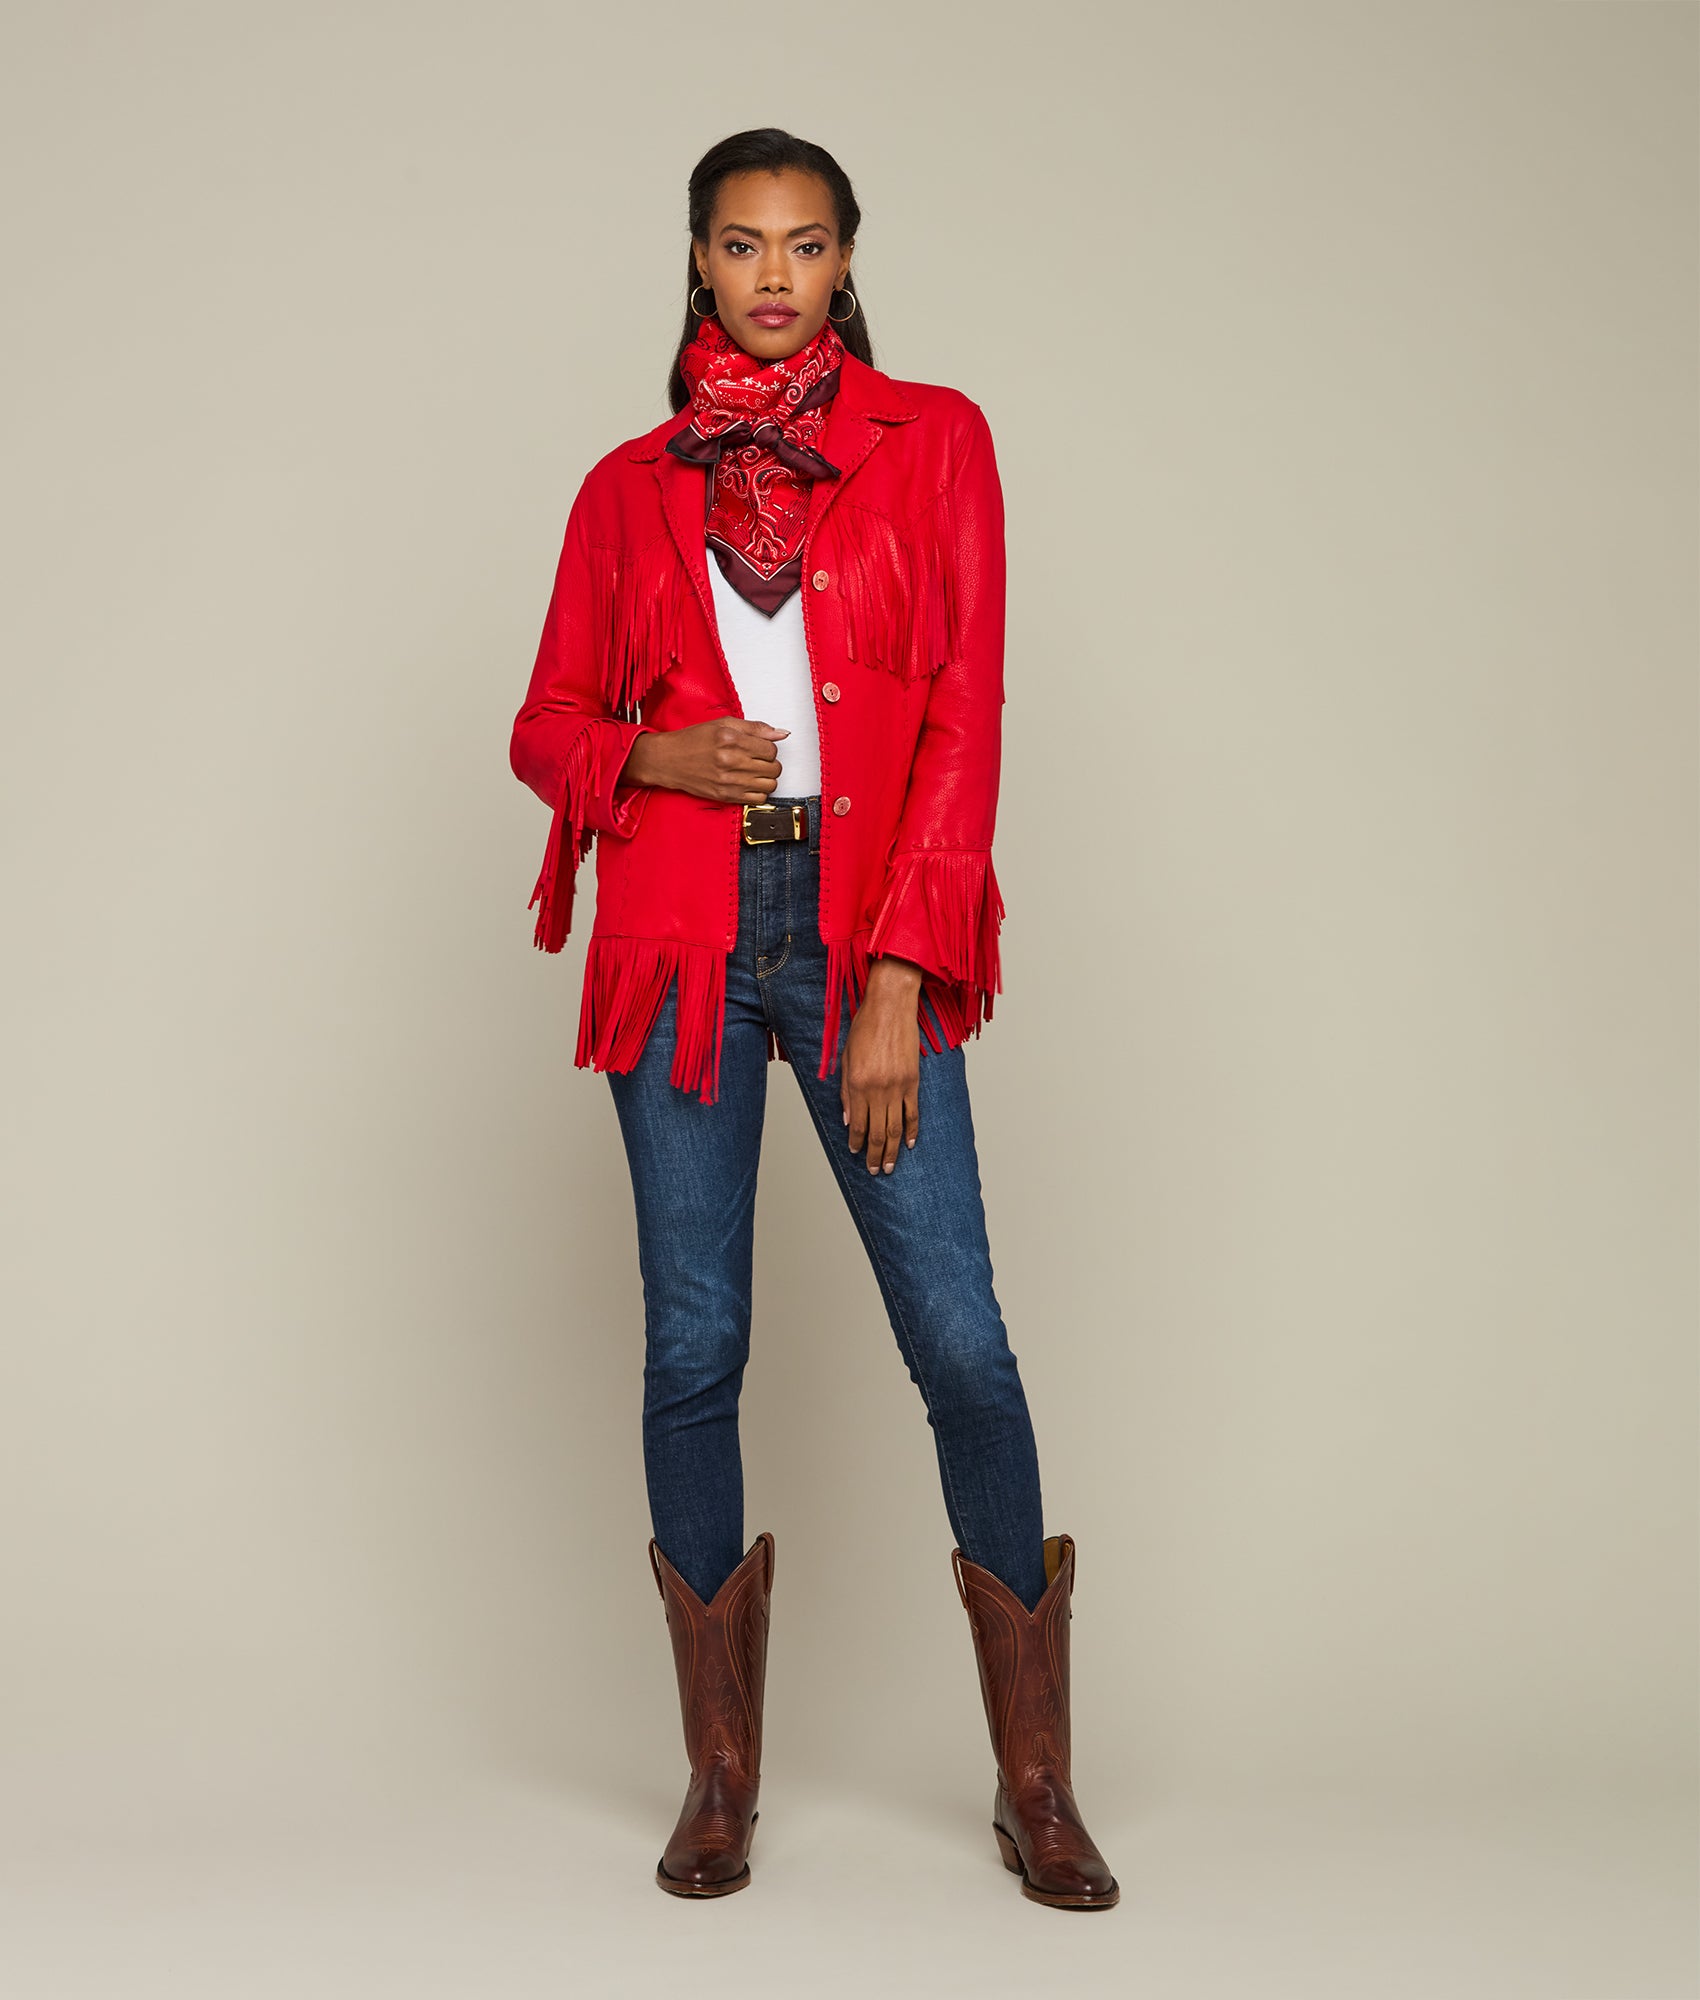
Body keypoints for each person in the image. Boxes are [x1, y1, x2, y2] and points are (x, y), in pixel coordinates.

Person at [508, 127, 1118, 1913]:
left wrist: (903, 975)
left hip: (862, 938)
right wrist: (655, 756)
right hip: (682, 937)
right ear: (697, 265)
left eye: (804, 242)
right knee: (694, 1347)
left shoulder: (937, 443)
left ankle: (1035, 1780)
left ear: (847, 261)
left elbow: (965, 716)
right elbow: (545, 726)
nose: (772, 273)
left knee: (960, 1342)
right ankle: (718, 1781)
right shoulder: (626, 490)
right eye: (739, 243)